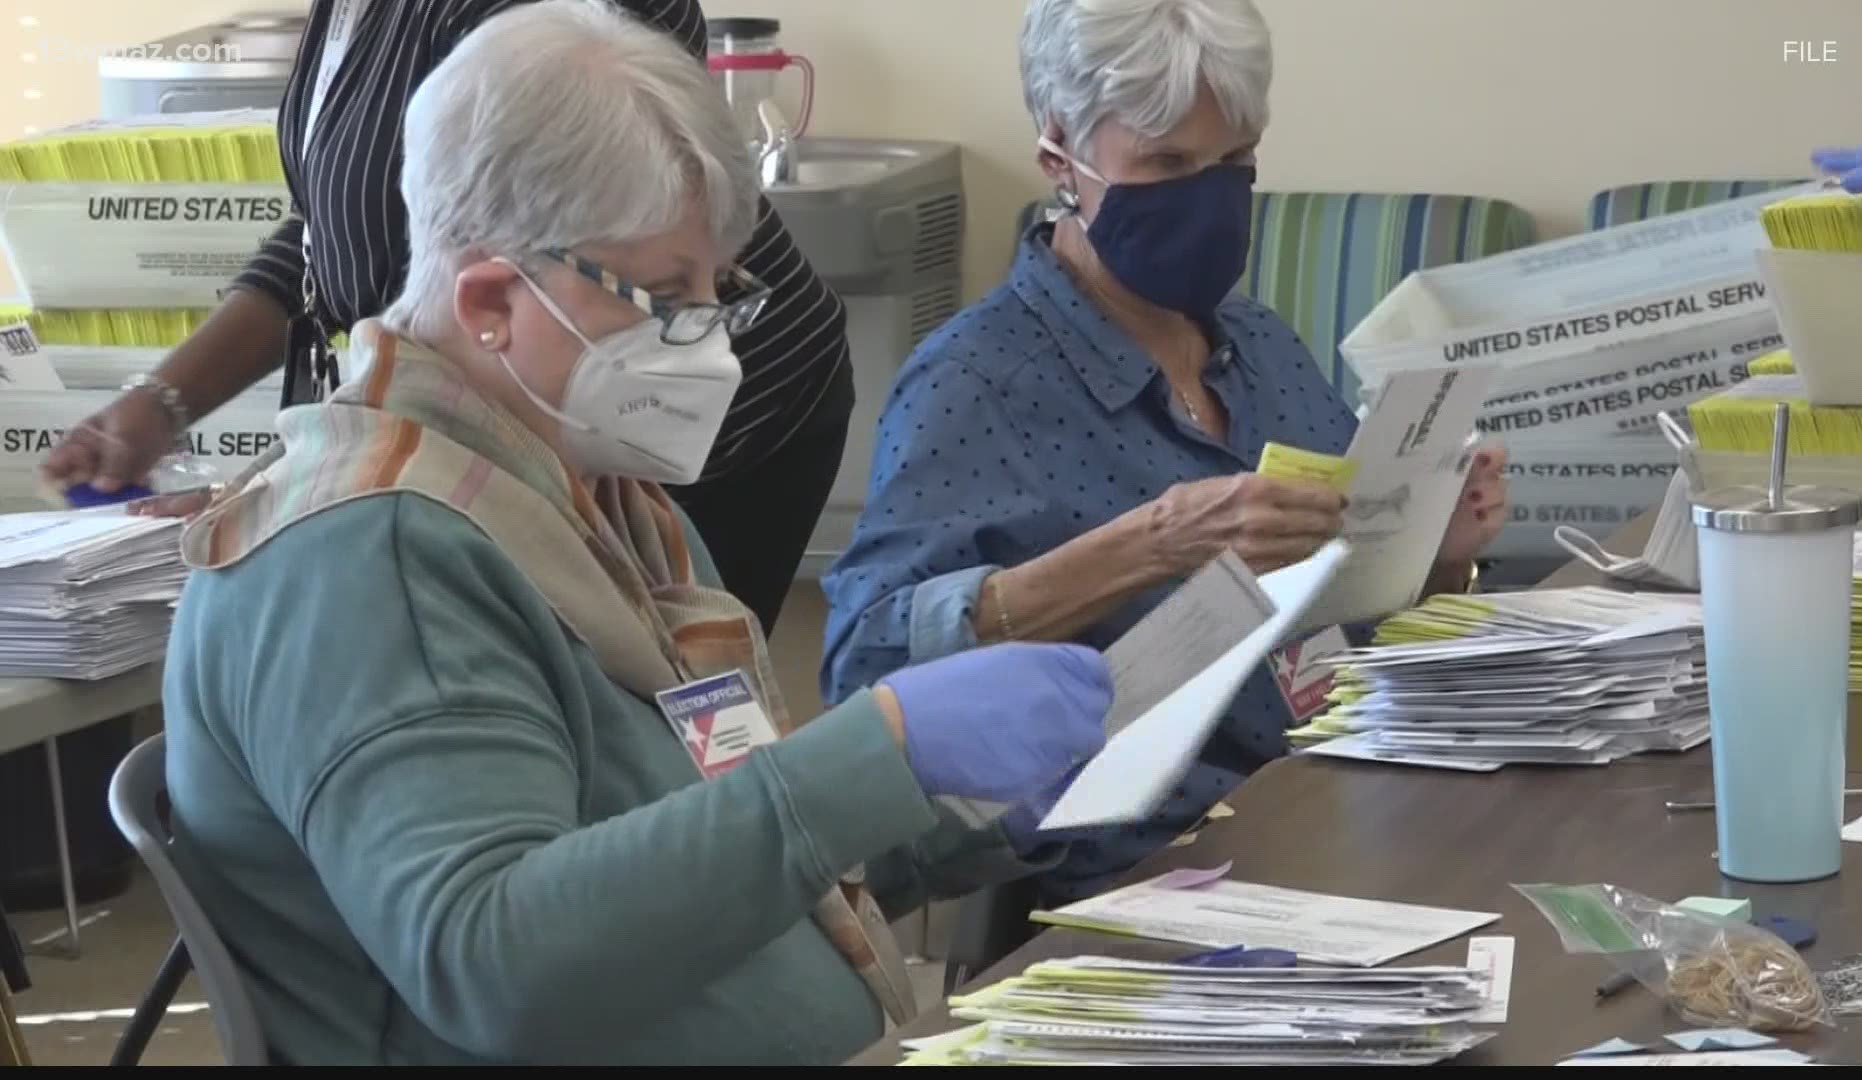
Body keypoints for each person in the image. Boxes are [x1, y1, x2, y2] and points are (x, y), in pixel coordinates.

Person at [161, 3, 1110, 1065]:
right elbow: (496, 964)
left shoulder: (593, 497)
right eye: (664, 295)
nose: (709, 344)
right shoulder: (372, 554)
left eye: (716, 290)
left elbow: (724, 840)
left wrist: (964, 802)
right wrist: (877, 748)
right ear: (487, 299)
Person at [821, 0, 1509, 905]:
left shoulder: (1259, 347)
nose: (1210, 199)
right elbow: (863, 675)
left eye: (1236, 163)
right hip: (1137, 876)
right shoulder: (974, 383)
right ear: (1058, 157)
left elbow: (1339, 611)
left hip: (1336, 808)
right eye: (1167, 165)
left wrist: (1433, 549)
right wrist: (1148, 545)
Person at [40, 0, 844, 633]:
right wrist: (164, 405)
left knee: (652, 728)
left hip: (657, 400)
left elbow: (493, 275)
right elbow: (334, 227)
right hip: (509, 415)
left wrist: (295, 487)